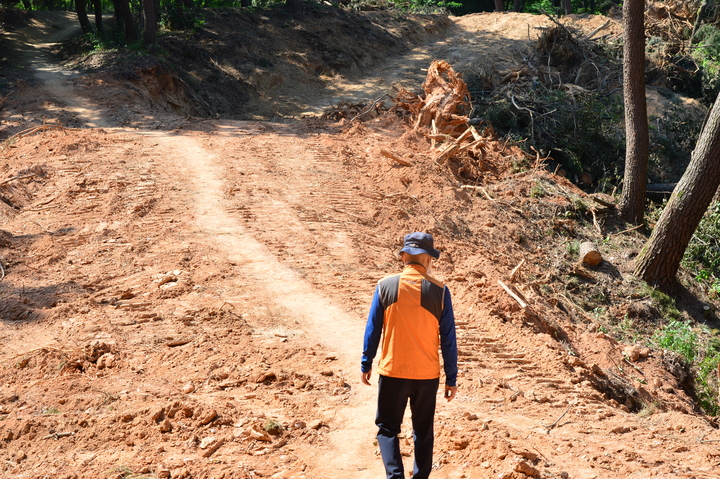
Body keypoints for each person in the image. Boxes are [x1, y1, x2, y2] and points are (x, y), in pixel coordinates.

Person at [360, 232, 458, 479]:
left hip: (393, 372)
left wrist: (366, 362)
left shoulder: (385, 286)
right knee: (423, 432)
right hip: (426, 376)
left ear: (404, 256)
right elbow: (449, 339)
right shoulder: (441, 292)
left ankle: (395, 476)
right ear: (429, 260)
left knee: (387, 430)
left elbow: (373, 329)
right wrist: (451, 378)